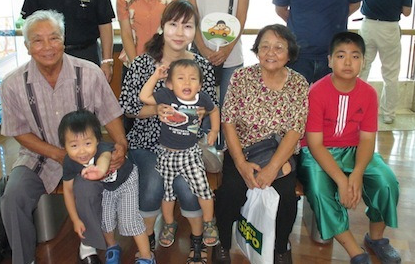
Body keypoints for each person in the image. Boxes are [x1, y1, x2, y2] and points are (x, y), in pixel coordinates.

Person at [0, 10, 127, 264]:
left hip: (86, 156)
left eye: (54, 38)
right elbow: (18, 130)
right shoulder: (12, 84)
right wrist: (56, 153)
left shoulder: (89, 73)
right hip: (39, 157)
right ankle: (23, 260)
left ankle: (88, 246)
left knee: (88, 188)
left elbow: (110, 114)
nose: (47, 47)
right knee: (12, 197)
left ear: (64, 39)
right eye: (38, 40)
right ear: (27, 46)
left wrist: (121, 145)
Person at [119, 0, 218, 264]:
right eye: (173, 24)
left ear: (194, 30)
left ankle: (197, 242)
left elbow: (210, 106)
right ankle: (146, 242)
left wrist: (202, 114)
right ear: (162, 27)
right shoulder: (141, 64)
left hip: (186, 143)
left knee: (188, 187)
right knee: (152, 182)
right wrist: (158, 110)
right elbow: (128, 107)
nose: (178, 32)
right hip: (146, 141)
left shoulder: (202, 65)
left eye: (187, 26)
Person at [298, 32, 400, 264]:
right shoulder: (317, 92)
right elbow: (314, 143)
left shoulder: (368, 93)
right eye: (341, 55)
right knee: (319, 190)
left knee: (386, 182)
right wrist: (343, 181)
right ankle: (356, 252)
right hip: (317, 153)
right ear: (330, 60)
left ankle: (375, 239)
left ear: (363, 62)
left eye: (355, 56)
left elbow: (366, 139)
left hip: (355, 151)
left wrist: (357, 173)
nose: (347, 62)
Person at [212, 24, 309, 264]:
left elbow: (295, 130)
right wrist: (241, 164)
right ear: (256, 50)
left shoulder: (299, 84)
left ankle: (280, 246)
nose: (270, 52)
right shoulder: (242, 77)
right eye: (264, 46)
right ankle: (223, 242)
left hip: (279, 153)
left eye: (278, 47)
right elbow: (229, 121)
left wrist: (273, 168)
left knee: (285, 195)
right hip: (241, 150)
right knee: (230, 191)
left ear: (290, 53)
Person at [139, 59, 220, 248]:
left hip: (190, 154)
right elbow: (144, 96)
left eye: (193, 79)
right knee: (167, 195)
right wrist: (156, 76)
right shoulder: (166, 96)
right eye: (181, 78)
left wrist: (214, 130)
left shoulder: (202, 99)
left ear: (200, 85)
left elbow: (214, 110)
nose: (186, 83)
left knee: (203, 189)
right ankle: (168, 224)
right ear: (170, 84)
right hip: (166, 154)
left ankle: (209, 223)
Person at [183, 0, 250, 148]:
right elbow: (191, 20)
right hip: (200, 57)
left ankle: (226, 159)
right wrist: (205, 51)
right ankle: (201, 156)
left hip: (232, 58)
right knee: (200, 108)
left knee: (229, 112)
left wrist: (226, 50)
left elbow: (240, 18)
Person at [59, 110, 155, 264]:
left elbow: (105, 159)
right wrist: (75, 219)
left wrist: (100, 171)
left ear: (98, 140)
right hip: (107, 188)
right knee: (105, 221)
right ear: (64, 146)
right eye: (74, 145)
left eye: (88, 143)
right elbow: (68, 191)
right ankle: (112, 248)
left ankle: (146, 257)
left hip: (126, 182)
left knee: (130, 220)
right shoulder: (69, 163)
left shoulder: (103, 149)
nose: (82, 151)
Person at [359, 0, 414, 125]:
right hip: (389, 28)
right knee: (390, 74)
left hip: (368, 26)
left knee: (362, 69)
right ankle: (388, 114)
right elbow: (406, 12)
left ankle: (358, 111)